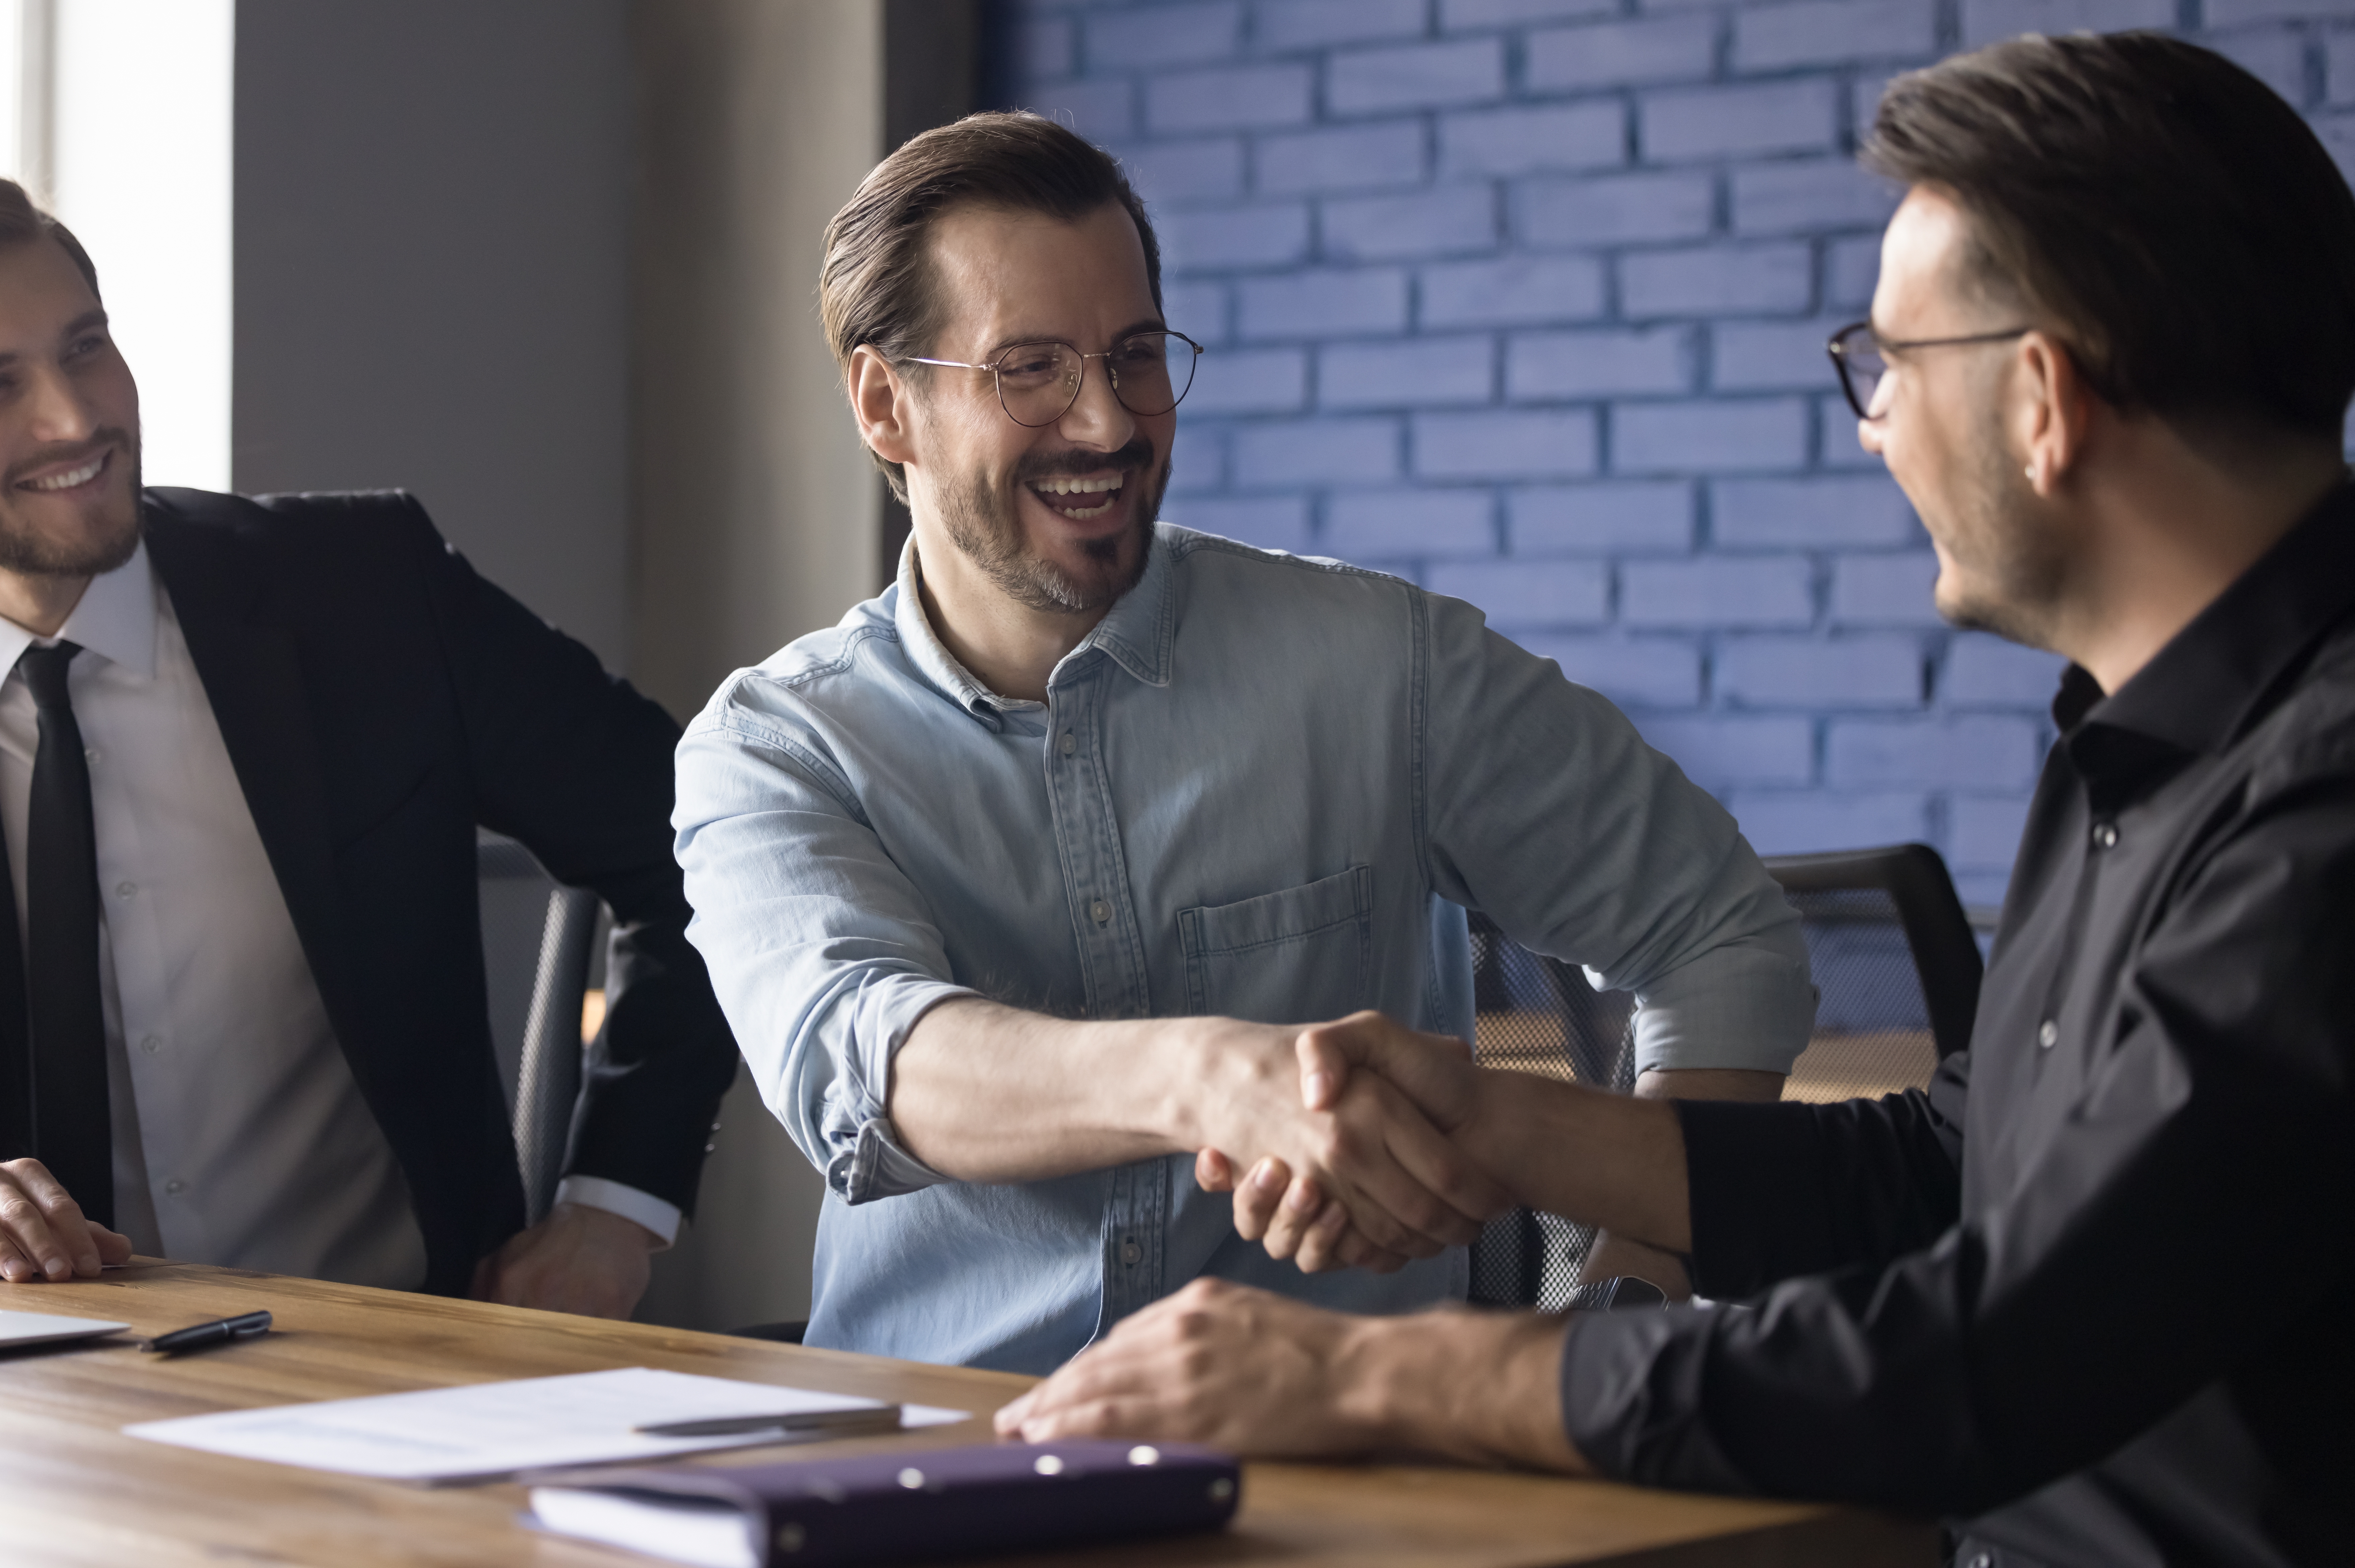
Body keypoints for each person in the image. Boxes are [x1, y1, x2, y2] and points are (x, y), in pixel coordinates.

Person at [999, 33, 2355, 1566]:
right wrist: (1504, 1127)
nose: (1872, 424)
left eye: (1889, 365)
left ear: (2040, 398)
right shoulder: (2138, 753)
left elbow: (2003, 1345)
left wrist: (1371, 1369)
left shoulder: (2320, 805)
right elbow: (1933, 1175)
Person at [670, 113, 1816, 1372]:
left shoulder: (1386, 665)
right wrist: (1218, 1079)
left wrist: (1629, 1297)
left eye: (1137, 355)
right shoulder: (779, 748)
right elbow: (869, 1067)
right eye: (1033, 367)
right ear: (889, 405)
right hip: (934, 1458)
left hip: (1345, 1466)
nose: (1106, 421)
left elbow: (1721, 934)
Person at [0, 175, 735, 1317]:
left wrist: (615, 1210)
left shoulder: (369, 592)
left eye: (86, 348)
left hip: (401, 1340)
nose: (74, 419)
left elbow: (712, 844)